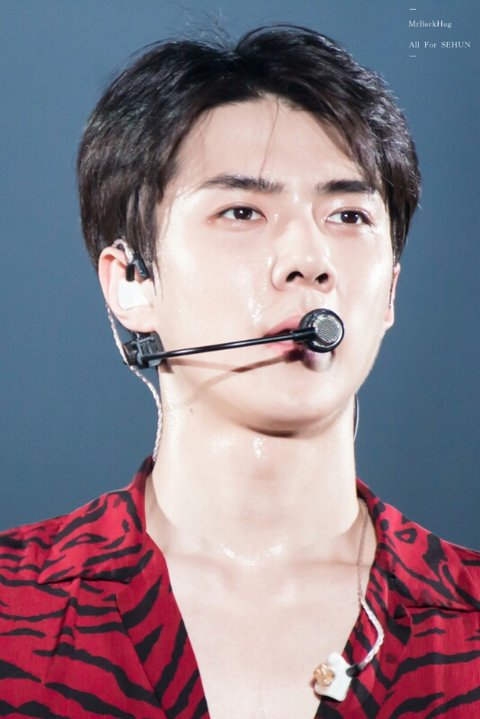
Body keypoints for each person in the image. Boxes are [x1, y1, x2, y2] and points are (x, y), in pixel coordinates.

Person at [1, 25, 479, 719]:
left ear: (390, 293)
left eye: (348, 215)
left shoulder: (466, 619)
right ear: (132, 281)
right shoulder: (16, 609)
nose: (309, 260)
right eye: (243, 211)